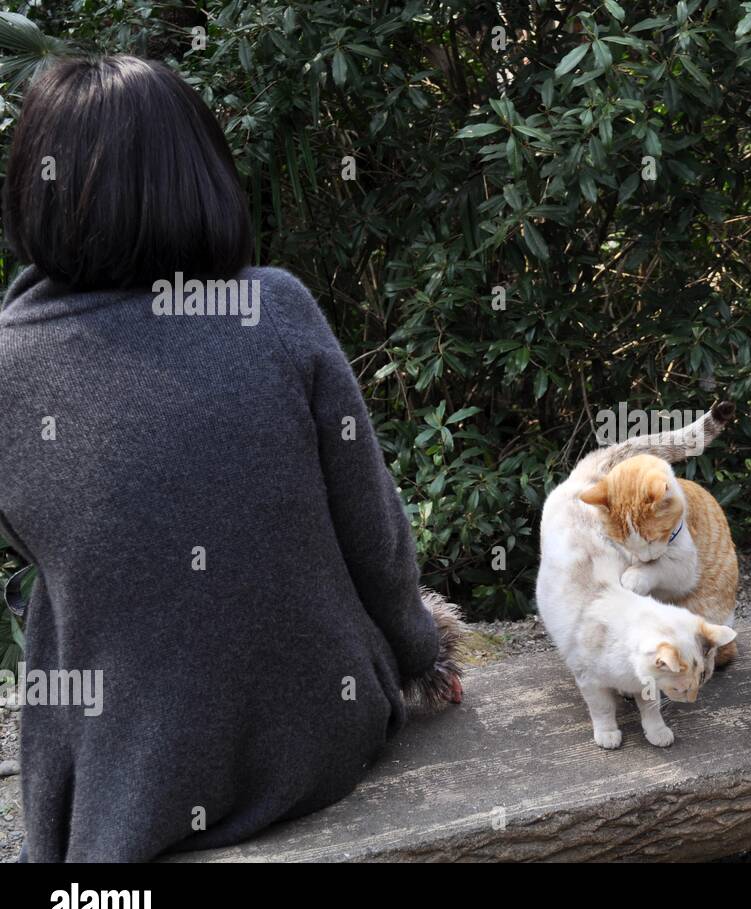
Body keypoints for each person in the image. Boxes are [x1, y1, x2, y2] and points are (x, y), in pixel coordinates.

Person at [0, 55, 458, 862]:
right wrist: (423, 652)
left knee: (53, 603)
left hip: (130, 787)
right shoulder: (272, 307)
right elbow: (374, 536)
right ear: (203, 176)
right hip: (321, 734)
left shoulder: (9, 364)